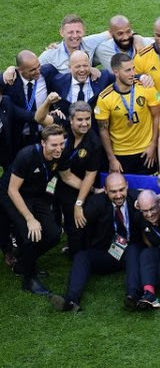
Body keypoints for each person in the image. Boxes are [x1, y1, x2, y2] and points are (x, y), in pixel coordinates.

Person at [48, 173, 143, 312]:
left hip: (130, 254)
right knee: (81, 257)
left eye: (121, 189)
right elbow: (79, 228)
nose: (118, 195)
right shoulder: (96, 203)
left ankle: (133, 297)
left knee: (133, 248)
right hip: (106, 253)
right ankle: (71, 300)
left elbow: (156, 207)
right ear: (105, 190)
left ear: (127, 186)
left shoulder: (137, 199)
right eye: (113, 191)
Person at [0, 124, 65, 294]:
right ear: (43, 143)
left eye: (61, 144)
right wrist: (30, 219)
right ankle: (29, 280)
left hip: (36, 194)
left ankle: (22, 263)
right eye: (54, 145)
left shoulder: (60, 155)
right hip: (12, 193)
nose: (59, 149)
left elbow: (63, 176)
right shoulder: (27, 155)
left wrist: (91, 190)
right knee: (30, 234)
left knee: (53, 235)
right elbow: (12, 190)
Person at [34, 98, 101, 257]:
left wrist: (79, 202)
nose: (84, 123)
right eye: (80, 120)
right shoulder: (60, 124)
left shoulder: (94, 143)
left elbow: (90, 175)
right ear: (70, 120)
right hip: (50, 178)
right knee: (46, 212)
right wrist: (48, 102)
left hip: (74, 184)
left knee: (74, 220)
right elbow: (39, 118)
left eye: (87, 119)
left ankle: (76, 252)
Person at [95, 53, 160, 174]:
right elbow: (103, 130)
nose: (132, 74)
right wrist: (111, 158)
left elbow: (157, 116)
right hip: (120, 154)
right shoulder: (104, 97)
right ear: (116, 72)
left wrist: (153, 145)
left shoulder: (147, 88)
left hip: (146, 152)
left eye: (133, 69)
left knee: (148, 190)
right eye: (127, 70)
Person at [2, 50, 58, 152]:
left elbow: (66, 80)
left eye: (38, 66)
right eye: (32, 70)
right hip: (19, 136)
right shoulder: (8, 81)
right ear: (20, 70)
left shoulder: (49, 71)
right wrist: (10, 69)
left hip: (45, 133)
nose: (37, 71)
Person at [39, 14, 111, 72]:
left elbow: (114, 32)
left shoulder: (89, 42)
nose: (75, 36)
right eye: (70, 32)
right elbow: (32, 69)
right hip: (64, 88)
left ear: (84, 31)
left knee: (104, 48)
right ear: (61, 32)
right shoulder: (51, 55)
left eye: (78, 31)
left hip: (89, 85)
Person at [49, 50, 114, 111]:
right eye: (78, 66)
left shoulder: (103, 78)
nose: (82, 70)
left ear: (90, 65)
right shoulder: (58, 82)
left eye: (85, 65)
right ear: (69, 68)